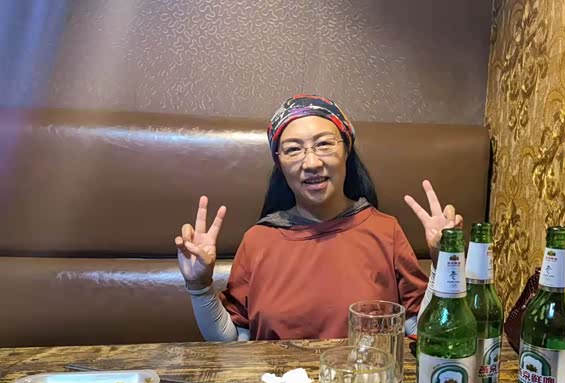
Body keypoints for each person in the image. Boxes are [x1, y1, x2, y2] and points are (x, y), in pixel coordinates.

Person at [175, 94, 462, 341]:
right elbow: (233, 340)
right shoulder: (258, 240)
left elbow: (420, 330)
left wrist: (445, 260)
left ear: (346, 150)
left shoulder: (385, 230)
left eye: (324, 144)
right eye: (293, 149)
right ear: (279, 163)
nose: (311, 162)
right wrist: (199, 287)